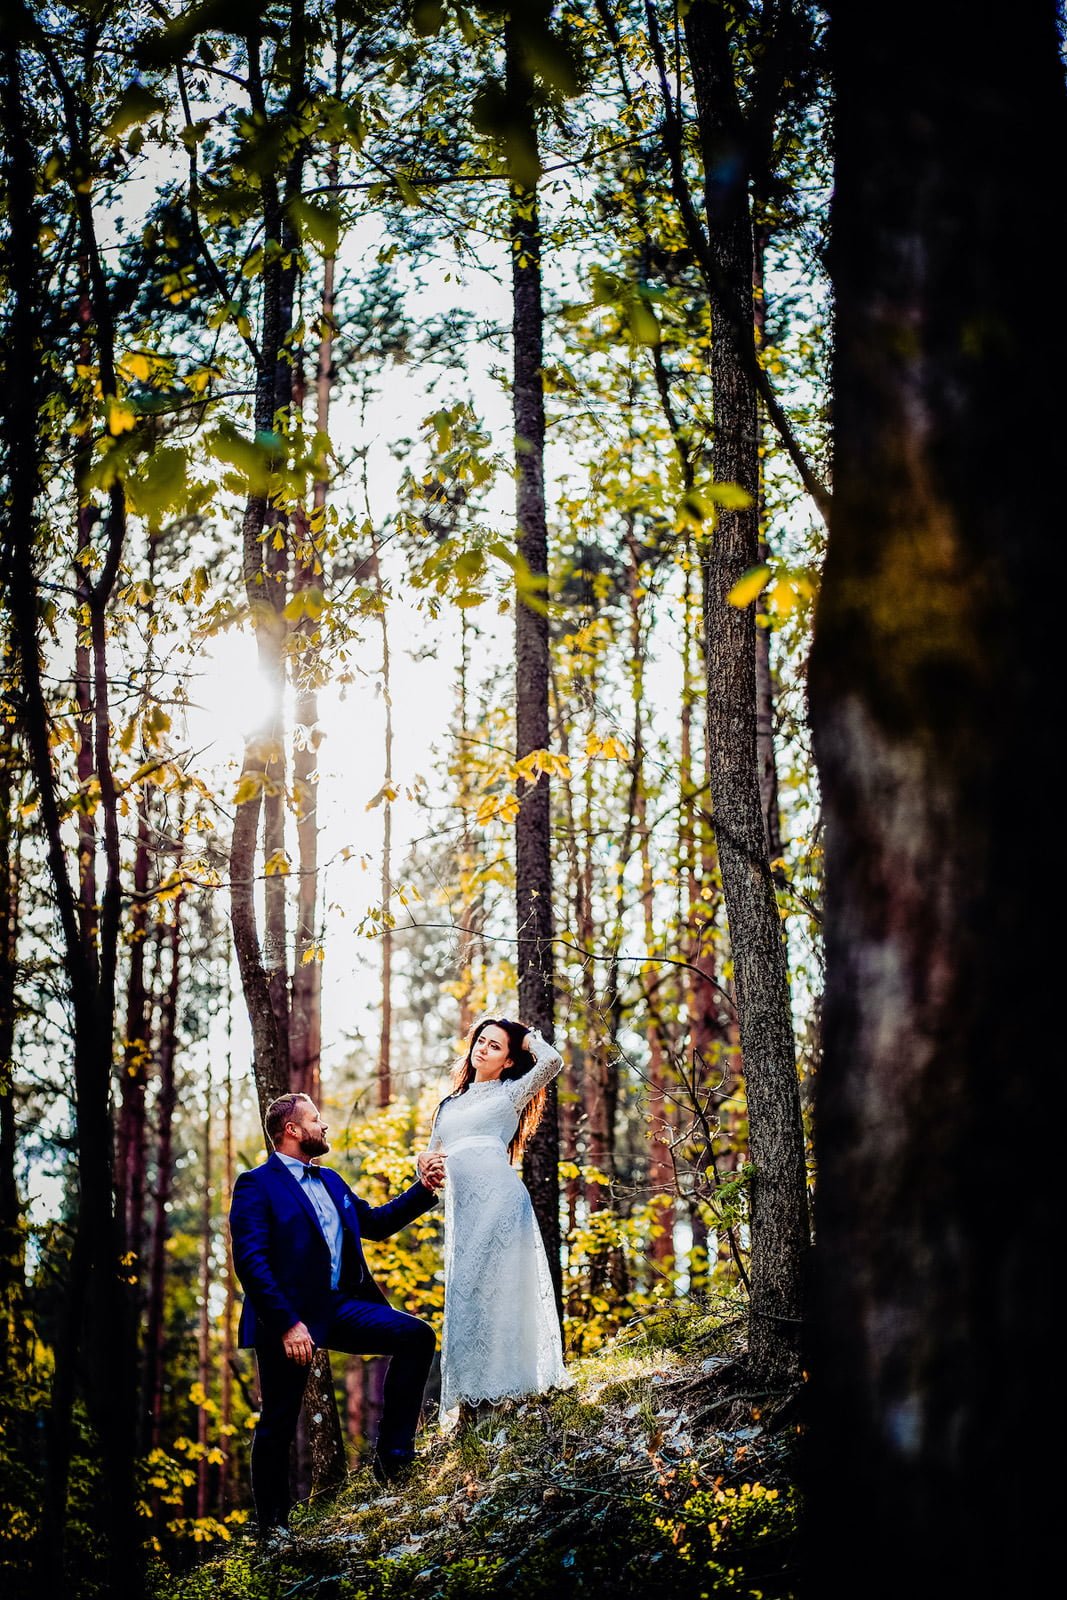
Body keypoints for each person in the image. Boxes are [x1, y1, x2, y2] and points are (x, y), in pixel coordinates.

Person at [228, 1091, 446, 1540]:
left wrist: (423, 1189)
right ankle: (273, 1527)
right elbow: (251, 1261)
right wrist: (288, 1323)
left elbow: (377, 1223)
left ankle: (394, 1457)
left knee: (416, 1337)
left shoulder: (331, 1181)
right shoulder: (256, 1184)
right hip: (284, 1319)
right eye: (315, 1119)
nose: (323, 1126)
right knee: (279, 1421)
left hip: (339, 1308)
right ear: (291, 1130)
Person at [422, 1017, 572, 1429]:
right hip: (465, 1212)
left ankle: (506, 1394)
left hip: (502, 1203)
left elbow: (552, 1062)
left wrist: (527, 1039)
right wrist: (424, 1164)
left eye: (495, 1046)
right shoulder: (449, 1105)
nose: (483, 1049)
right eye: (481, 1041)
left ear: (508, 1061)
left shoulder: (511, 1093)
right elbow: (432, 1155)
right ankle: (473, 1399)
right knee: (467, 1293)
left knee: (501, 1292)